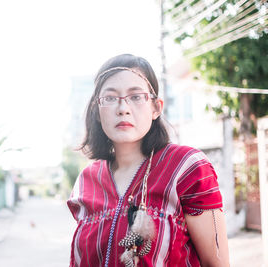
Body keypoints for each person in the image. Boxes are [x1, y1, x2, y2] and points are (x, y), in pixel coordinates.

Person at [67, 54, 229, 267]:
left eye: (136, 96)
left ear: (156, 108)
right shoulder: (86, 181)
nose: (123, 108)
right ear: (97, 111)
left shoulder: (186, 168)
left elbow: (216, 263)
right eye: (110, 98)